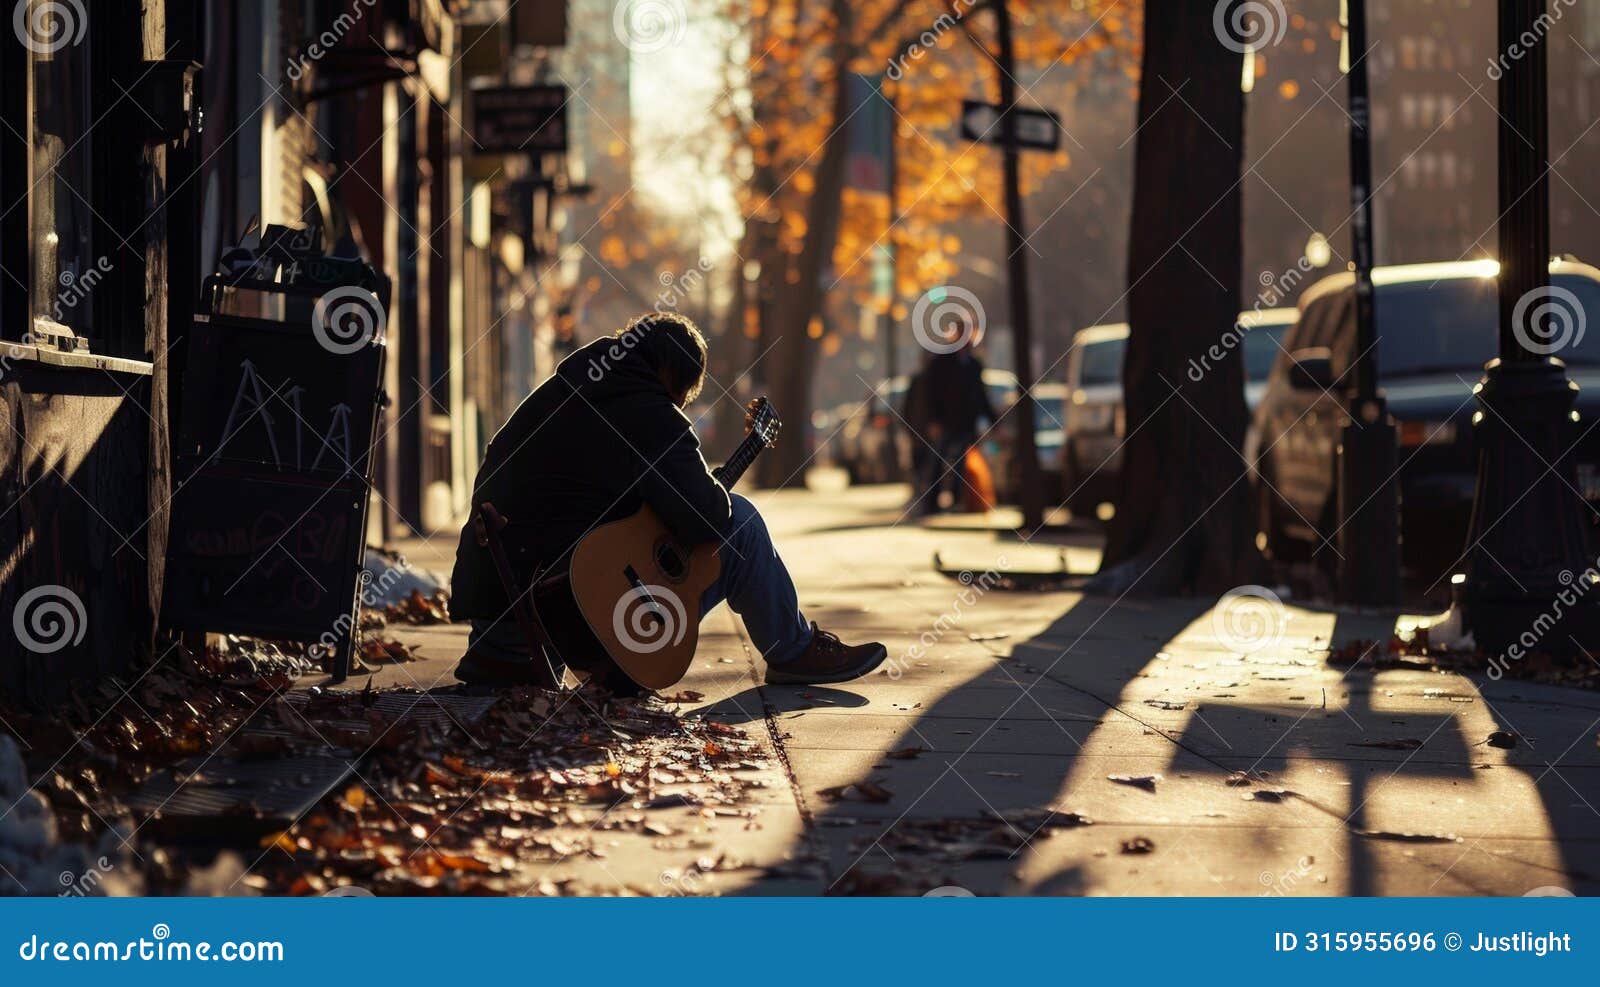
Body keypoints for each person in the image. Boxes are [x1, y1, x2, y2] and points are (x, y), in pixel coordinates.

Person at [447, 312, 888, 688]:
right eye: (681, 397)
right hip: (574, 618)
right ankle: (792, 651)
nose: (677, 406)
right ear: (674, 378)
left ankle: (511, 650)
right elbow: (708, 518)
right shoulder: (646, 408)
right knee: (744, 526)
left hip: (499, 610)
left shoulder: (562, 390)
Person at [903, 328, 999, 515]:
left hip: (965, 423)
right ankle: (932, 501)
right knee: (938, 460)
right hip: (944, 422)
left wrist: (994, 421)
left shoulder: (974, 364)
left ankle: (957, 499)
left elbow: (981, 396)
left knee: (960, 463)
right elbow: (930, 395)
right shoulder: (941, 362)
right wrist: (932, 421)